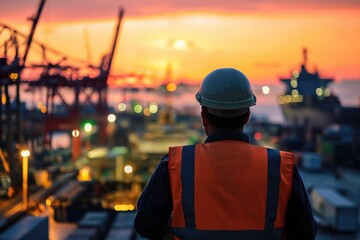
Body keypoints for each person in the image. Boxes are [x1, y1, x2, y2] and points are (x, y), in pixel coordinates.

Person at [134, 68, 317, 240]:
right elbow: (305, 233)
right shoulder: (280, 167)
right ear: (247, 116)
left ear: (204, 116)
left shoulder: (176, 164)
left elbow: (145, 224)